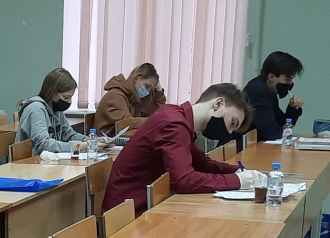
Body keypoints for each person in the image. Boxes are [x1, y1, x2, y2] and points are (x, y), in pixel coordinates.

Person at [102, 83, 259, 217]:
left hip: (141, 205)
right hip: (128, 215)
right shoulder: (174, 124)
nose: (229, 132)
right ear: (218, 104)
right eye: (232, 123)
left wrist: (239, 172)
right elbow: (184, 180)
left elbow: (201, 163)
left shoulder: (178, 117)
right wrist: (237, 181)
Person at [16, 68, 108, 156]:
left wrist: (89, 140)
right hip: (28, 163)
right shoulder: (36, 109)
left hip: (46, 161)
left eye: (70, 97)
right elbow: (43, 145)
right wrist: (79, 146)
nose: (69, 102)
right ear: (52, 92)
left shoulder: (56, 110)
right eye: (66, 97)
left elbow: (68, 134)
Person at [243, 51, 305, 141]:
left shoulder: (268, 89)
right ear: (271, 77)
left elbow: (283, 124)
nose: (290, 83)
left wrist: (292, 107)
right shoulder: (258, 91)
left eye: (292, 79)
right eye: (287, 79)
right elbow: (272, 132)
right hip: (245, 147)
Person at [94, 63, 166, 135]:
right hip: (105, 140)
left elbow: (156, 113)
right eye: (147, 86)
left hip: (122, 138)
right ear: (136, 79)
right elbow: (126, 123)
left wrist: (159, 90)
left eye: (151, 89)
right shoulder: (115, 96)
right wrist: (152, 121)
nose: (147, 92)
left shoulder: (135, 97)